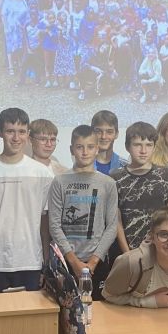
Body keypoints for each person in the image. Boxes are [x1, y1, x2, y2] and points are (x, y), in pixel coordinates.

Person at [0, 108, 54, 294]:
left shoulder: (43, 174)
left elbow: (45, 224)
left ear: (28, 134)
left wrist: (46, 265)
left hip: (30, 263)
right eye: (10, 131)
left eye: (21, 132)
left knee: (30, 314)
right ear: (0, 132)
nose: (16, 138)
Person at [48, 125, 118, 300]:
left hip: (97, 262)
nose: (85, 152)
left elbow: (112, 226)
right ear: (72, 149)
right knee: (67, 311)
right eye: (80, 147)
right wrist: (73, 261)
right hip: (67, 261)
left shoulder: (108, 183)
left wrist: (93, 261)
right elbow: (54, 225)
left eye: (90, 147)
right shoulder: (60, 181)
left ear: (97, 148)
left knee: (98, 310)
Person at [102, 206, 168, 308]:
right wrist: (148, 302)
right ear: (152, 237)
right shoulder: (131, 263)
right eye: (163, 234)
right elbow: (108, 295)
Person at [112, 122, 168, 253]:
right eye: (137, 145)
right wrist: (128, 253)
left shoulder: (167, 175)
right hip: (125, 251)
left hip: (160, 250)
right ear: (127, 146)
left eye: (149, 145)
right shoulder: (115, 178)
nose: (143, 151)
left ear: (154, 147)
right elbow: (116, 221)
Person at [91, 110, 127, 175]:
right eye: (98, 131)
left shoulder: (126, 167)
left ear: (116, 134)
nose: (103, 136)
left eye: (109, 132)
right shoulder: (82, 166)